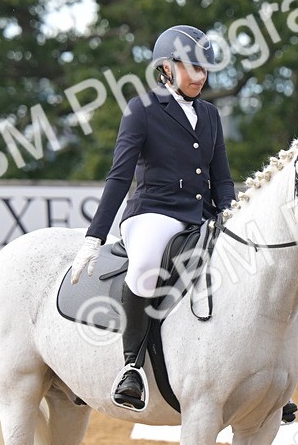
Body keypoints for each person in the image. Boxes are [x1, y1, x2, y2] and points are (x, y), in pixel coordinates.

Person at [71, 25, 237, 411]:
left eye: (205, 69)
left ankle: (252, 377)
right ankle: (131, 368)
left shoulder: (210, 115)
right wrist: (93, 238)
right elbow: (119, 176)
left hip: (201, 215)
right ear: (166, 68)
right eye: (191, 68)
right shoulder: (142, 110)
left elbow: (222, 178)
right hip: (153, 212)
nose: (200, 77)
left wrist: (231, 216)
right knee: (145, 265)